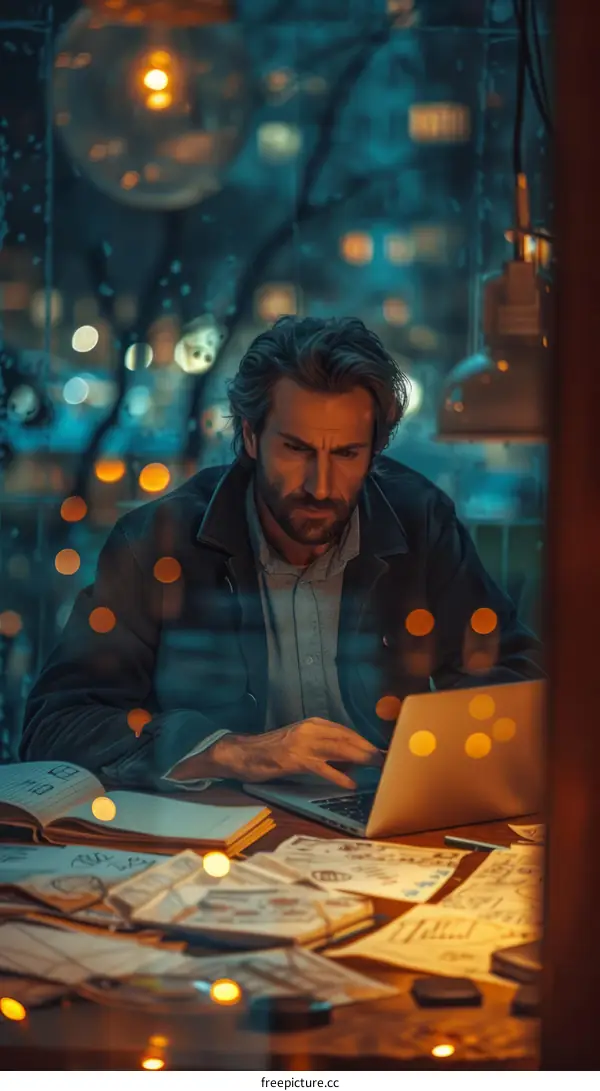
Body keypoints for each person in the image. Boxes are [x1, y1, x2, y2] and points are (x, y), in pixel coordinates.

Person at [20, 316, 544, 791]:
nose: (320, 485)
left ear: (376, 449)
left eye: (346, 454)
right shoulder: (158, 541)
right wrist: (227, 751)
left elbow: (515, 676)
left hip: (384, 816)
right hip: (209, 840)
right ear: (250, 435)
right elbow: (57, 723)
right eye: (296, 449)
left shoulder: (420, 520)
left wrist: (432, 751)